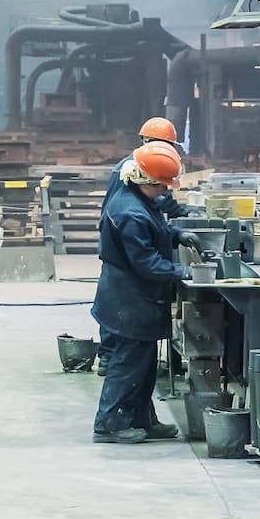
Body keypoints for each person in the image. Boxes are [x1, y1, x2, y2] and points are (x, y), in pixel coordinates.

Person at [90, 143, 186, 445]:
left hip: (135, 297)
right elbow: (146, 263)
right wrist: (184, 272)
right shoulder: (130, 212)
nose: (164, 191)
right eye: (162, 186)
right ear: (148, 180)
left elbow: (154, 228)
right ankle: (109, 424)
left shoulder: (136, 197)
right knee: (128, 362)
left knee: (143, 365)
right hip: (128, 298)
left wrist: (177, 234)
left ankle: (143, 418)